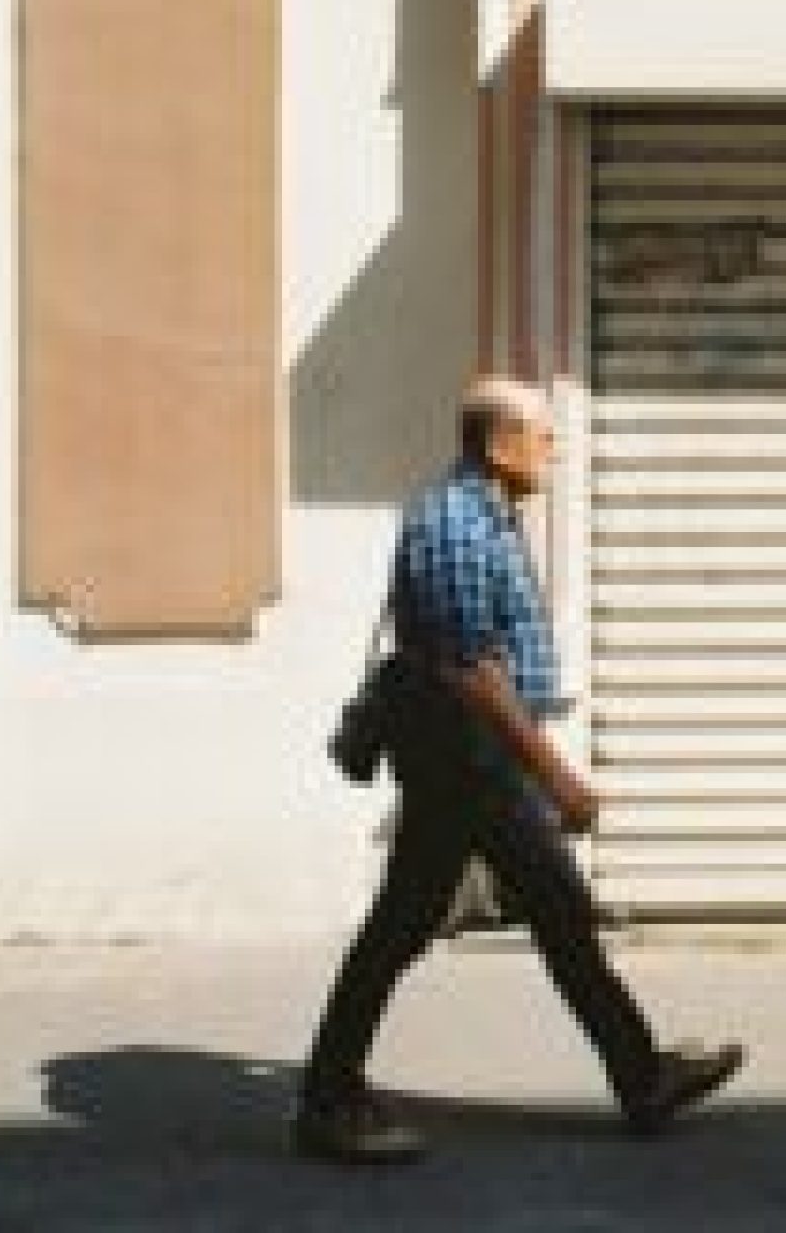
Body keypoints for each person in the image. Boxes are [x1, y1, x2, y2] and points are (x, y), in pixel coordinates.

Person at [295, 376, 743, 1165]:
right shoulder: (456, 525)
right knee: (462, 921)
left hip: (477, 756)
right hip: (464, 758)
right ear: (500, 444)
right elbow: (469, 669)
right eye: (543, 436)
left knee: (496, 920)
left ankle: (641, 1079)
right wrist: (558, 776)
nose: (555, 449)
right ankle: (329, 1102)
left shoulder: (487, 515)